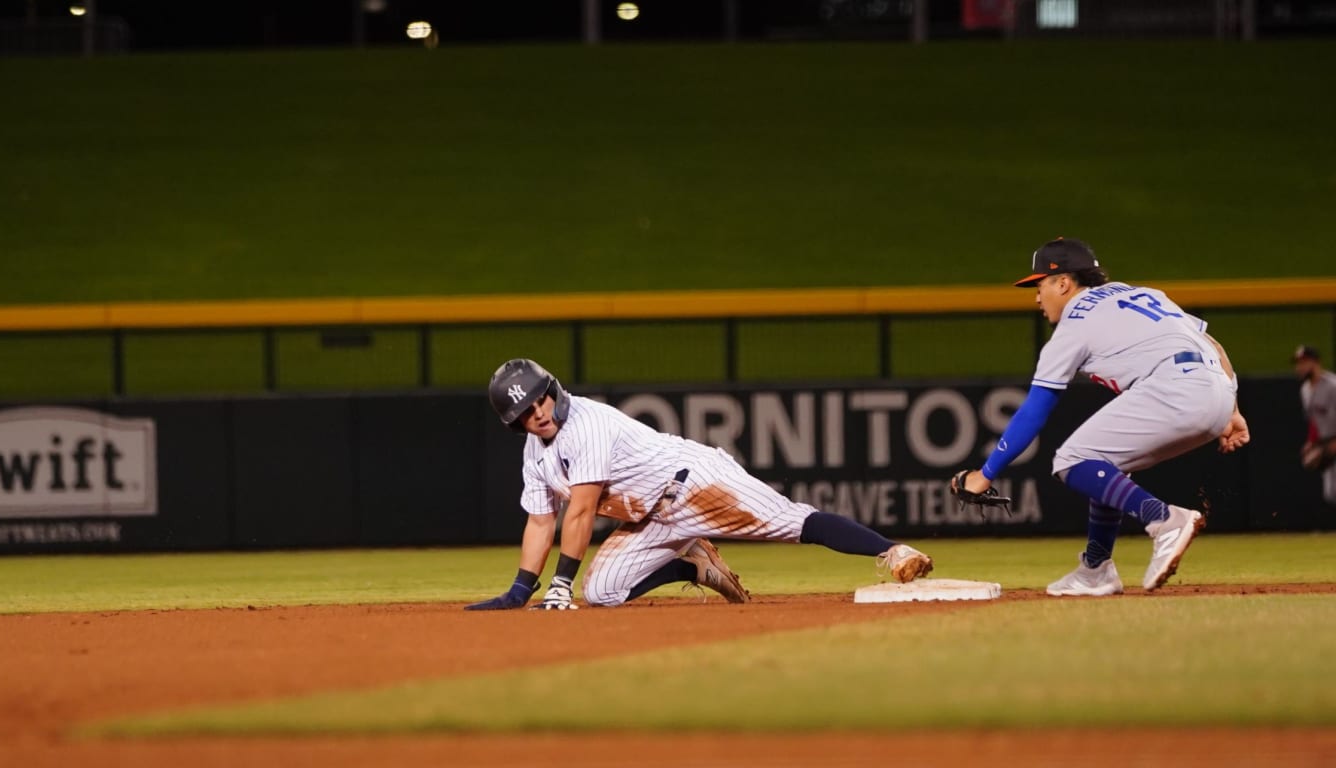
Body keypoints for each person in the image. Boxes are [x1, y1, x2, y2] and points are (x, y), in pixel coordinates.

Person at [466, 358, 934, 610]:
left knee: (791, 521)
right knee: (603, 594)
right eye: (525, 412)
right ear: (515, 423)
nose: (538, 413)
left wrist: (559, 584)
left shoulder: (585, 425)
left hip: (694, 482)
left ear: (553, 391)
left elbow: (583, 511)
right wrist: (521, 590)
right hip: (650, 516)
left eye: (539, 400)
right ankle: (697, 566)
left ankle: (894, 551)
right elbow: (540, 521)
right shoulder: (535, 454)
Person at [951, 238, 1250, 597]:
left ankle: (1163, 519)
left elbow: (1034, 410)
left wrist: (985, 475)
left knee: (1072, 459)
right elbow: (1213, 344)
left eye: (1040, 285)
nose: (1036, 297)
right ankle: (1095, 568)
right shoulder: (1142, 293)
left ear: (1063, 282)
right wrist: (1230, 409)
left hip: (1174, 387)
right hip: (1217, 386)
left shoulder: (1074, 322)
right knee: (1103, 460)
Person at [1293, 345, 1336, 506]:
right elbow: (1313, 419)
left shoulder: (1333, 385)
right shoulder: (1305, 390)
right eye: (1298, 363)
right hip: (1326, 443)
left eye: (1304, 363)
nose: (1300, 367)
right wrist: (1311, 441)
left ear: (1316, 362)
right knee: (1331, 493)